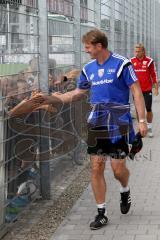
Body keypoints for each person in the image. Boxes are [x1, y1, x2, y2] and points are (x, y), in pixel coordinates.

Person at [32, 29, 147, 230]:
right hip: (97, 121)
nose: (86, 51)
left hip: (119, 121)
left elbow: (136, 92)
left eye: (88, 47)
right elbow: (77, 93)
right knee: (96, 167)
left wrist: (143, 121)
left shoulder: (122, 64)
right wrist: (51, 98)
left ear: (98, 46)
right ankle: (101, 213)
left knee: (118, 170)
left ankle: (125, 189)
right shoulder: (89, 68)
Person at [131, 44, 159, 137]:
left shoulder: (149, 61)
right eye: (136, 51)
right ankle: (141, 128)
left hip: (147, 90)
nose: (136, 53)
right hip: (136, 91)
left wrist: (156, 88)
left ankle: (150, 127)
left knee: (148, 109)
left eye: (138, 51)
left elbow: (153, 75)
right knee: (138, 110)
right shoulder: (131, 61)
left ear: (143, 51)